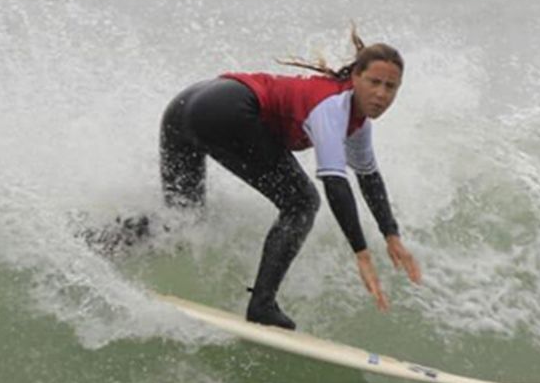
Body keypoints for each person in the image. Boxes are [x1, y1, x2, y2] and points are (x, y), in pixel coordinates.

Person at [159, 29, 422, 330]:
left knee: (182, 219)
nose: (381, 94)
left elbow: (368, 177)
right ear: (355, 78)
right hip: (225, 109)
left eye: (391, 87)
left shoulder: (357, 124)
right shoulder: (332, 107)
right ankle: (262, 304)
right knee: (302, 202)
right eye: (374, 82)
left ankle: (106, 243)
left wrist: (391, 235)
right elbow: (336, 184)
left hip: (183, 108)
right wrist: (362, 254)